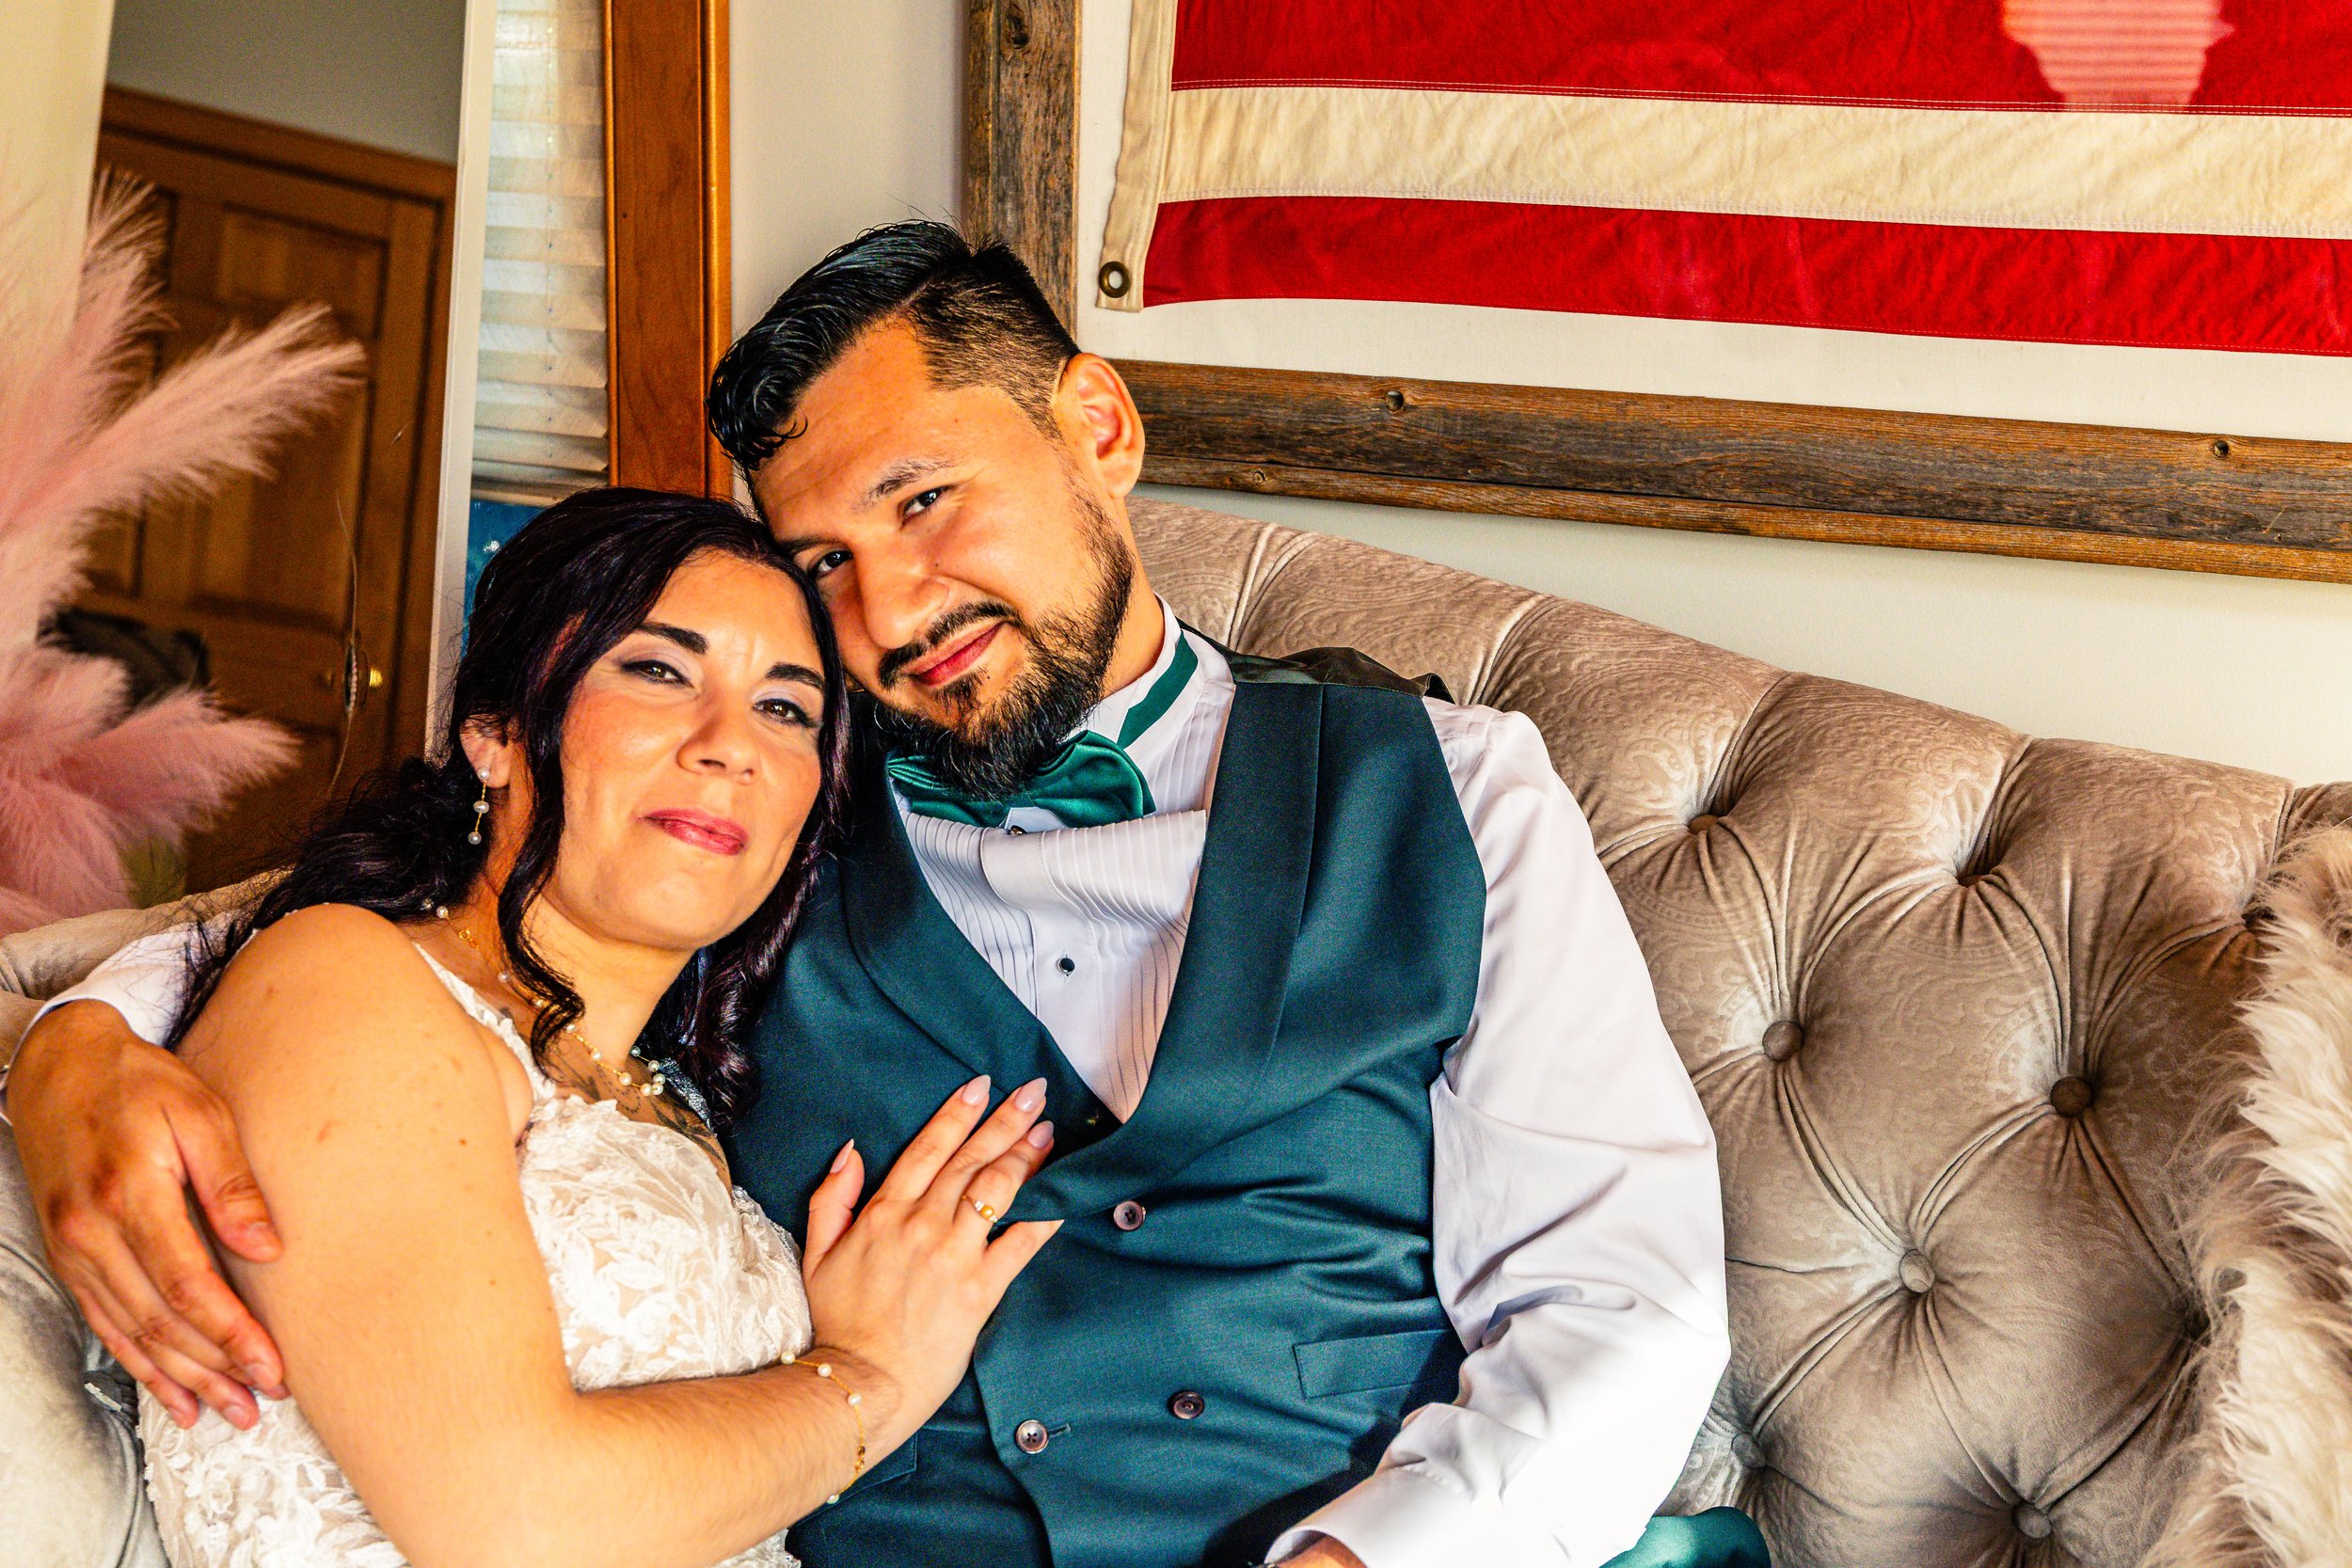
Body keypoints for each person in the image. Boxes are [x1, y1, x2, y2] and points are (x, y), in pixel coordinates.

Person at [9, 224, 1766, 1567]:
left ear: (1096, 425)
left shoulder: (1457, 792)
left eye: (927, 498)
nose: (893, 610)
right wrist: (75, 1041)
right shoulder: (763, 798)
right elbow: (434, 927)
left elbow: (1625, 1300)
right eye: (827, 560)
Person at [14, 487, 1062, 1567]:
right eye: (658, 670)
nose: (728, 746)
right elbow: (514, 1526)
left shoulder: (685, 1093)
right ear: (498, 731)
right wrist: (868, 1376)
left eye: (785, 709)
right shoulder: (349, 977)